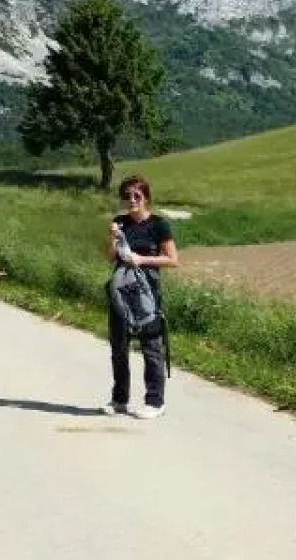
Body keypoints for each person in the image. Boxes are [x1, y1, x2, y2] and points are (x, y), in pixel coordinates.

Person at [105, 174, 178, 419]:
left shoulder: (159, 225)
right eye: (127, 196)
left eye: (137, 195)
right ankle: (119, 400)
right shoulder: (120, 222)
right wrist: (114, 240)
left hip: (147, 291)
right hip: (121, 290)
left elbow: (172, 260)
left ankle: (155, 402)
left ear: (146, 197)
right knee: (119, 346)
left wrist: (142, 259)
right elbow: (110, 257)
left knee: (151, 347)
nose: (131, 200)